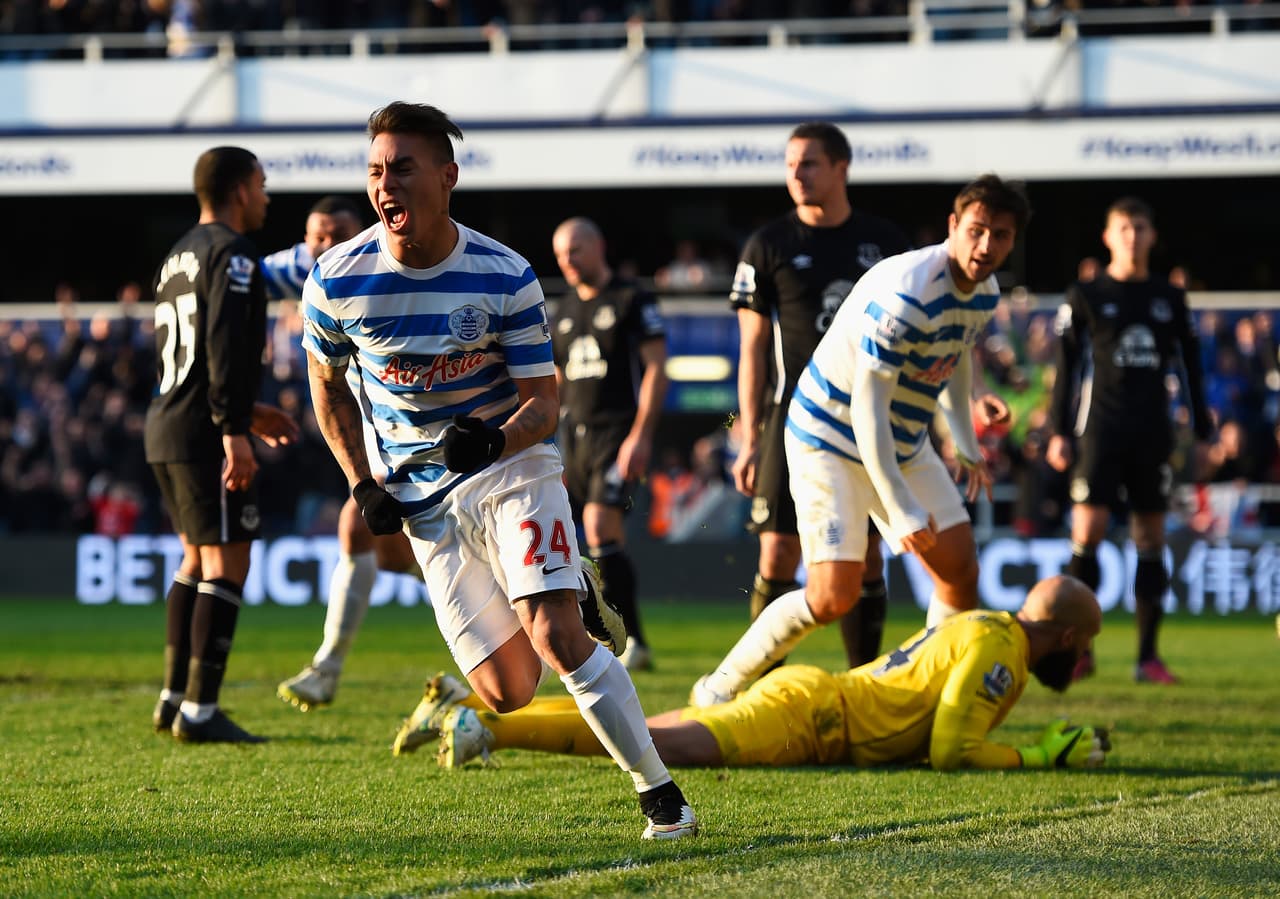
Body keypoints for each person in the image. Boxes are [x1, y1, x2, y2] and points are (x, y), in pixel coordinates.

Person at [300, 101, 697, 840]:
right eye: (376, 171)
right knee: (507, 689)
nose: (385, 185)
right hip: (424, 502)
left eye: (403, 169)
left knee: (556, 636)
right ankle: (572, 586)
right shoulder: (335, 278)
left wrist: (492, 440)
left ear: (447, 177)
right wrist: (359, 481)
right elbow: (325, 388)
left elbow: (544, 403)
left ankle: (662, 798)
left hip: (512, 470)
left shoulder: (505, 274)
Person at [693, 174, 1031, 707]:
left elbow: (955, 357)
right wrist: (901, 506)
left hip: (900, 439)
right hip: (829, 437)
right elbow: (866, 407)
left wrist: (967, 441)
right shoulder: (909, 291)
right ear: (953, 226)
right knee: (832, 594)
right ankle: (718, 688)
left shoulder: (983, 293)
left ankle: (925, 699)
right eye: (977, 230)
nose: (986, 245)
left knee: (960, 568)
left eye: (1001, 235)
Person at [426, 575, 1110, 773]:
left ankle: (475, 714)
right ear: (1067, 637)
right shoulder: (1001, 653)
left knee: (638, 727)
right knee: (656, 746)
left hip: (815, 701)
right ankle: (490, 729)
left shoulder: (986, 623)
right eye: (1084, 650)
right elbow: (951, 749)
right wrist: (1040, 755)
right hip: (813, 718)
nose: (1083, 665)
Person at [729, 121, 912, 675]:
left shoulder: (886, 244)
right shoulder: (768, 245)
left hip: (868, 418)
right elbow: (752, 350)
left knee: (869, 554)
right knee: (778, 551)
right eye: (790, 165)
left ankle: (862, 681)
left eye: (808, 163)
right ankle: (763, 690)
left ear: (840, 168)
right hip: (792, 421)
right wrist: (748, 437)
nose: (797, 175)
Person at [145, 146, 299, 743]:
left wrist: (245, 411)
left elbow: (190, 359)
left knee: (193, 557)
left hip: (167, 423)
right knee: (227, 563)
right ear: (239, 190)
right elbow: (224, 346)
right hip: (205, 433)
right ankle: (201, 711)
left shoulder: (176, 256)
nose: (266, 197)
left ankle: (172, 698)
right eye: (261, 184)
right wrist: (235, 429)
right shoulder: (234, 255)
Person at [1047, 197, 1213, 685]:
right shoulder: (1086, 294)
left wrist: (1203, 432)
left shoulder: (1169, 297)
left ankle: (1147, 658)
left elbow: (1192, 369)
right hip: (1100, 430)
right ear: (1107, 236)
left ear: (1152, 236)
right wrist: (1058, 432)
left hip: (1152, 433)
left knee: (1151, 538)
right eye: (1123, 228)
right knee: (1088, 533)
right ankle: (1080, 650)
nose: (1132, 237)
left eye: (1140, 228)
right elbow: (1066, 369)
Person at [268, 196, 424, 711]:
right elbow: (239, 275)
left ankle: (327, 668)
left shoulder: (379, 271)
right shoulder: (307, 270)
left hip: (414, 430)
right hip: (371, 439)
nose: (326, 245)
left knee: (361, 528)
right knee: (388, 548)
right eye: (318, 236)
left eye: (338, 235)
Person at [550, 216, 669, 672]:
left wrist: (641, 435)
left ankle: (633, 638)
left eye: (575, 250)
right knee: (580, 537)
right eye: (560, 254)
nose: (568, 261)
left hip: (617, 434)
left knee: (600, 527)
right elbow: (556, 383)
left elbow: (656, 367)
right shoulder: (561, 310)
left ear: (599, 247)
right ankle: (610, 634)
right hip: (574, 439)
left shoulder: (631, 298)